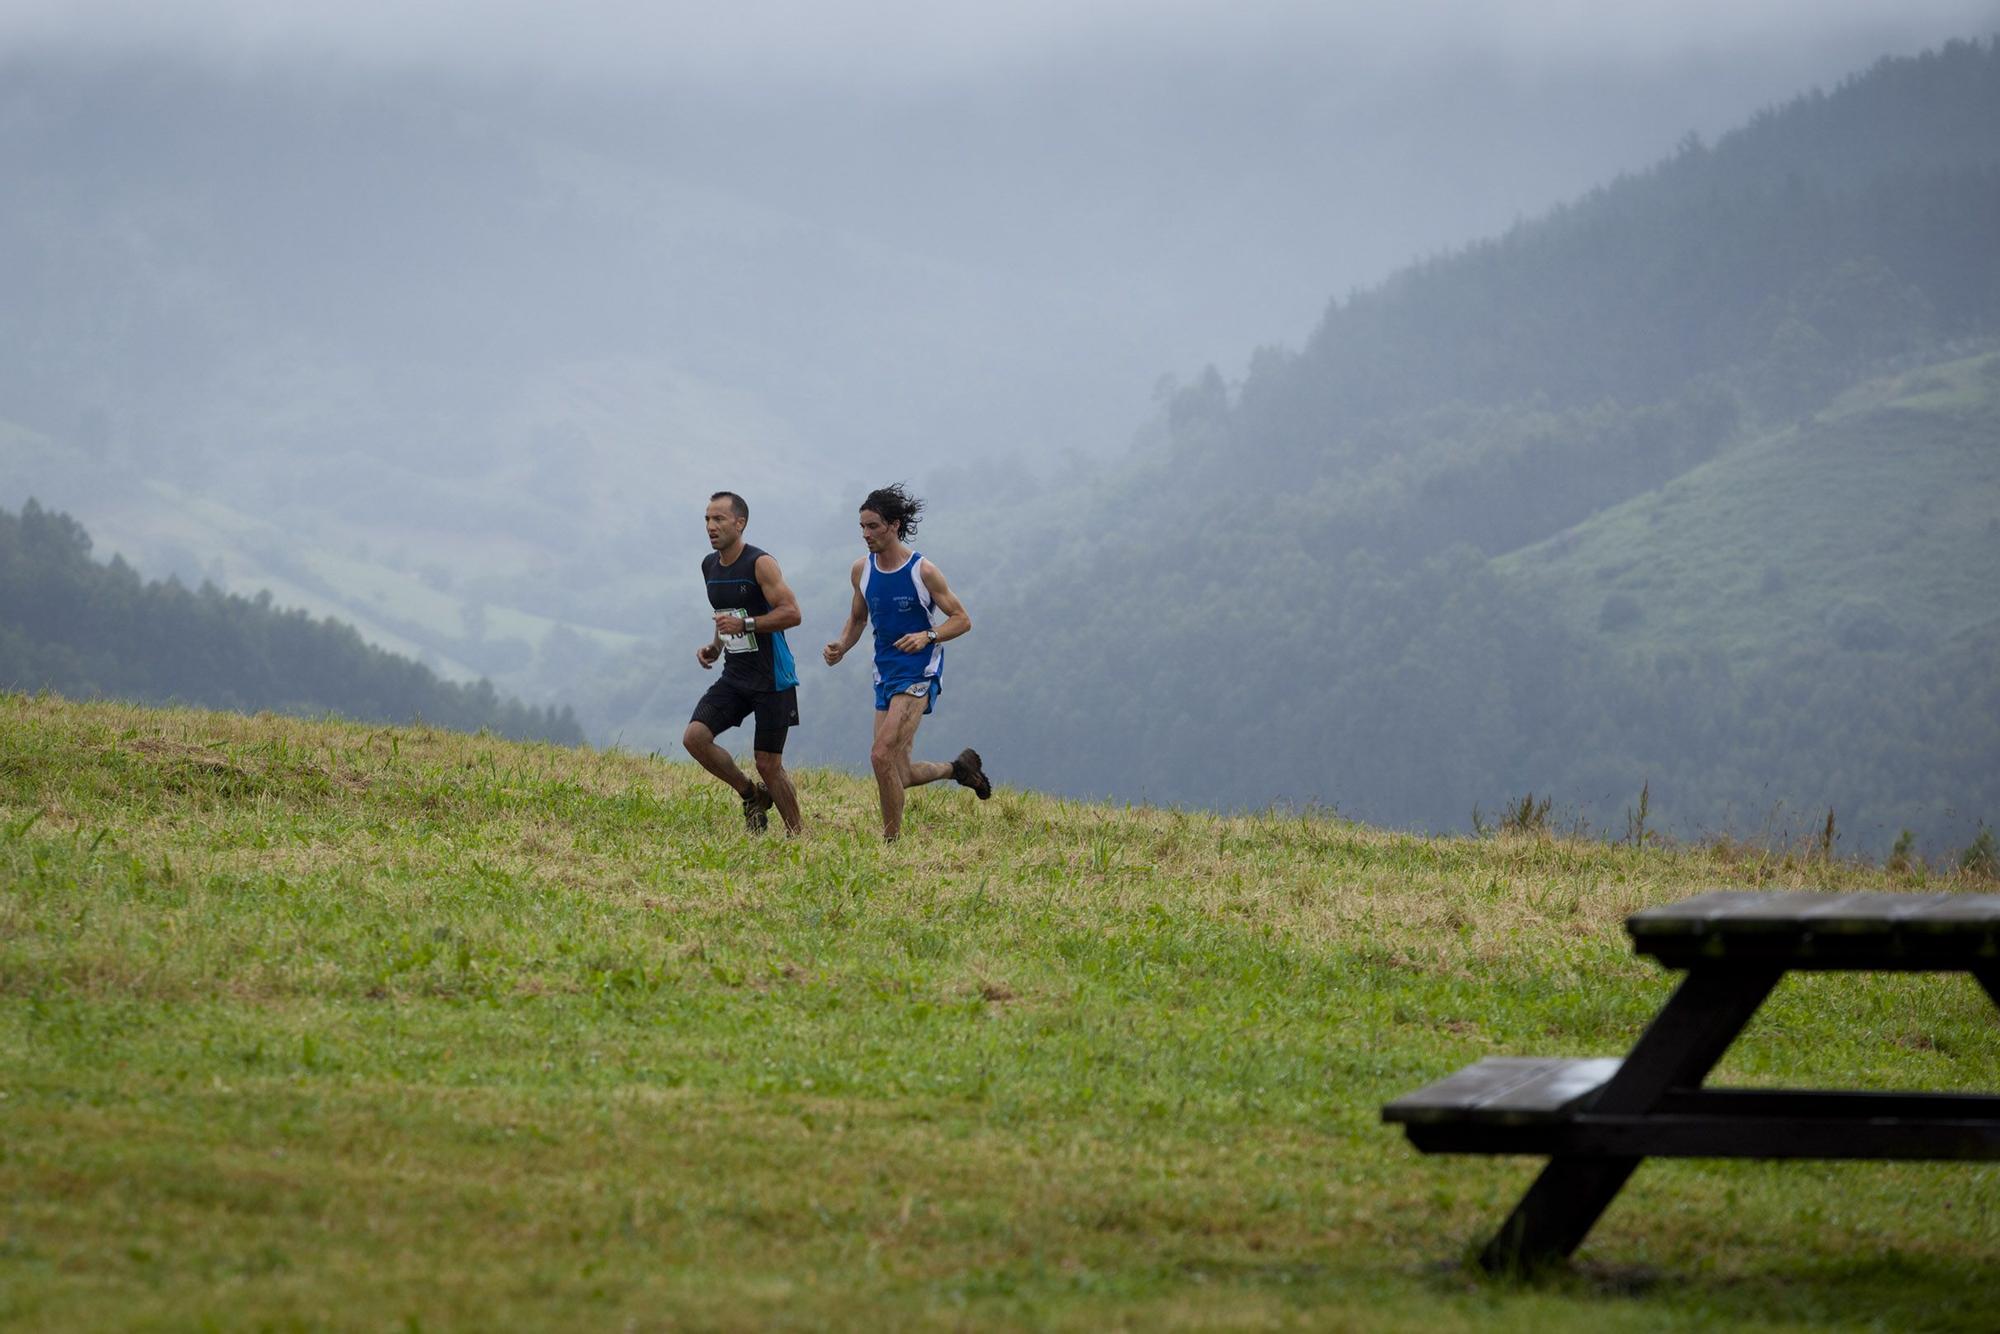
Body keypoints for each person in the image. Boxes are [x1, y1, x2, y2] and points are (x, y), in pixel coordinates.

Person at [822, 483, 990, 841]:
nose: (866, 534)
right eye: (862, 527)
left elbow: (962, 619)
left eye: (873, 526)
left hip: (919, 671)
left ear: (894, 525)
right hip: (884, 672)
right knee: (900, 772)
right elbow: (857, 619)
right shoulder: (861, 571)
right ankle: (958, 769)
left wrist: (927, 636)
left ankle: (891, 843)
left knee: (880, 756)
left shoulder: (922, 571)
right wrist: (841, 645)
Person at [683, 491, 804, 834]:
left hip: (772, 678)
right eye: (707, 519)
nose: (710, 526)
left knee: (769, 764)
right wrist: (716, 646)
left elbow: (793, 613)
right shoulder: (709, 565)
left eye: (718, 519)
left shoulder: (760, 563)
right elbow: (726, 615)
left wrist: (748, 624)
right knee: (695, 738)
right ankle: (751, 794)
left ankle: (798, 836)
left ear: (740, 523)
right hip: (735, 675)